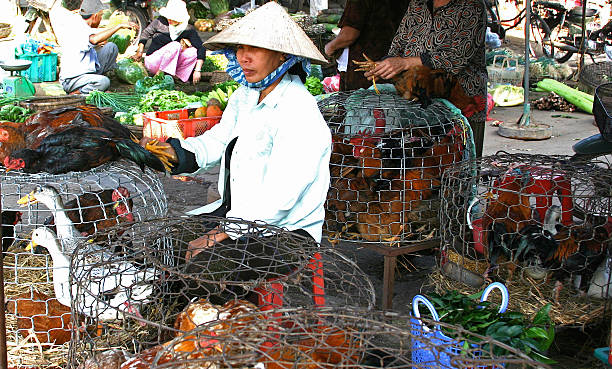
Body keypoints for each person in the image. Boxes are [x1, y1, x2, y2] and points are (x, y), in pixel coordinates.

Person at [139, 2, 331, 260]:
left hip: (284, 230)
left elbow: (282, 195)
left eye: (255, 48)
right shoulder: (246, 95)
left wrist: (221, 233)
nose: (243, 57)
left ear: (282, 54)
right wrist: (174, 153)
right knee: (162, 245)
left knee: (203, 264)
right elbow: (219, 140)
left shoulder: (298, 110)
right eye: (240, 47)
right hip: (238, 215)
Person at [363, 0, 488, 157]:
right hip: (417, 105)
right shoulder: (418, 3)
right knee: (418, 165)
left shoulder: (471, 5)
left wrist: (403, 63)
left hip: (463, 98)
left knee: (459, 164)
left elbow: (456, 57)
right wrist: (384, 65)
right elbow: (397, 46)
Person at [50, 0, 138, 94]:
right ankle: (79, 92)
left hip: (86, 72)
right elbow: (94, 39)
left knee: (111, 47)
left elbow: (96, 36)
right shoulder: (78, 26)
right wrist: (119, 26)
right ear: (95, 16)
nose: (100, 19)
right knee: (104, 82)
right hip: (72, 80)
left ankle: (95, 81)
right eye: (100, 16)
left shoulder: (82, 23)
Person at [323, 0, 410, 91]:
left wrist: (330, 47)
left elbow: (349, 35)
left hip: (367, 67)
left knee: (358, 100)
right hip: (392, 63)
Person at [133, 0, 206, 84]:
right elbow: (145, 34)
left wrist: (197, 70)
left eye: (173, 18)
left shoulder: (188, 28)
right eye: (169, 17)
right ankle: (159, 76)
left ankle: (177, 77)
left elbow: (201, 47)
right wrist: (139, 52)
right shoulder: (160, 22)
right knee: (175, 45)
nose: (170, 19)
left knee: (192, 52)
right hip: (154, 61)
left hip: (172, 65)